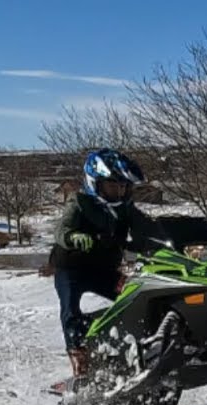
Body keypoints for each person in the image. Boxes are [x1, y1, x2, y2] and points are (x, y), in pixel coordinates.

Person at [51, 148, 155, 390]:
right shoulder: (79, 202)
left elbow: (149, 227)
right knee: (70, 310)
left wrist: (164, 235)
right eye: (112, 185)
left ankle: (139, 346)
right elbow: (61, 229)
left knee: (134, 296)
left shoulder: (125, 208)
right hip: (72, 268)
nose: (118, 191)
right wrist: (73, 236)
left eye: (123, 186)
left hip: (104, 270)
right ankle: (81, 365)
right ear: (94, 183)